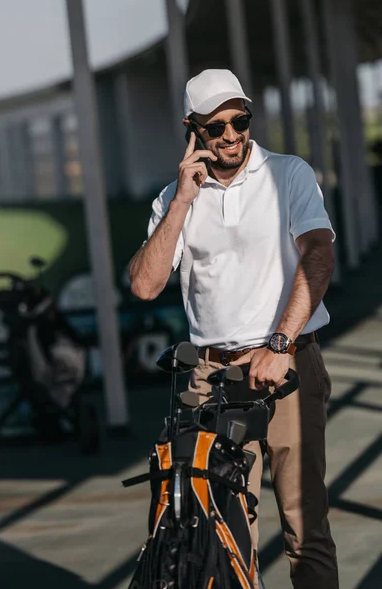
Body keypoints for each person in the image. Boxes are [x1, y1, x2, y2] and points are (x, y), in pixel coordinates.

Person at [128, 69, 339, 589]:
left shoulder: (288, 174)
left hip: (286, 364)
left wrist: (279, 344)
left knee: (304, 527)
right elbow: (144, 285)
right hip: (212, 378)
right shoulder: (173, 199)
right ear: (192, 129)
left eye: (239, 120)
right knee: (214, 528)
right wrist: (181, 201)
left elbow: (319, 254)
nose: (230, 134)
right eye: (215, 125)